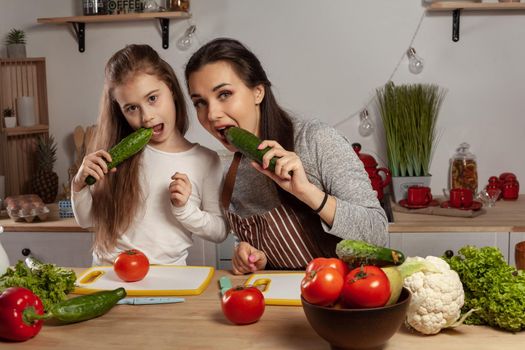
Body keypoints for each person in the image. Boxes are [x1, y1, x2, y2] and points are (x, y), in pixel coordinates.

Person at [184, 38, 388, 275]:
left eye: (224, 94)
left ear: (258, 92)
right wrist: (252, 255)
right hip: (277, 301)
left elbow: (378, 234)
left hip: (342, 298)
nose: (212, 114)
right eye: (200, 102)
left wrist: (308, 193)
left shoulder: (316, 141)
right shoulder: (227, 169)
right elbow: (268, 252)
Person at [72, 44, 227, 266]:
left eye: (152, 98)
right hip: (109, 275)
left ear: (171, 88)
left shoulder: (205, 161)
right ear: (121, 111)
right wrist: (78, 186)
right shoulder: (115, 154)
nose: (147, 117)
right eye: (132, 108)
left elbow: (219, 231)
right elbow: (87, 220)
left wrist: (185, 210)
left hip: (169, 281)